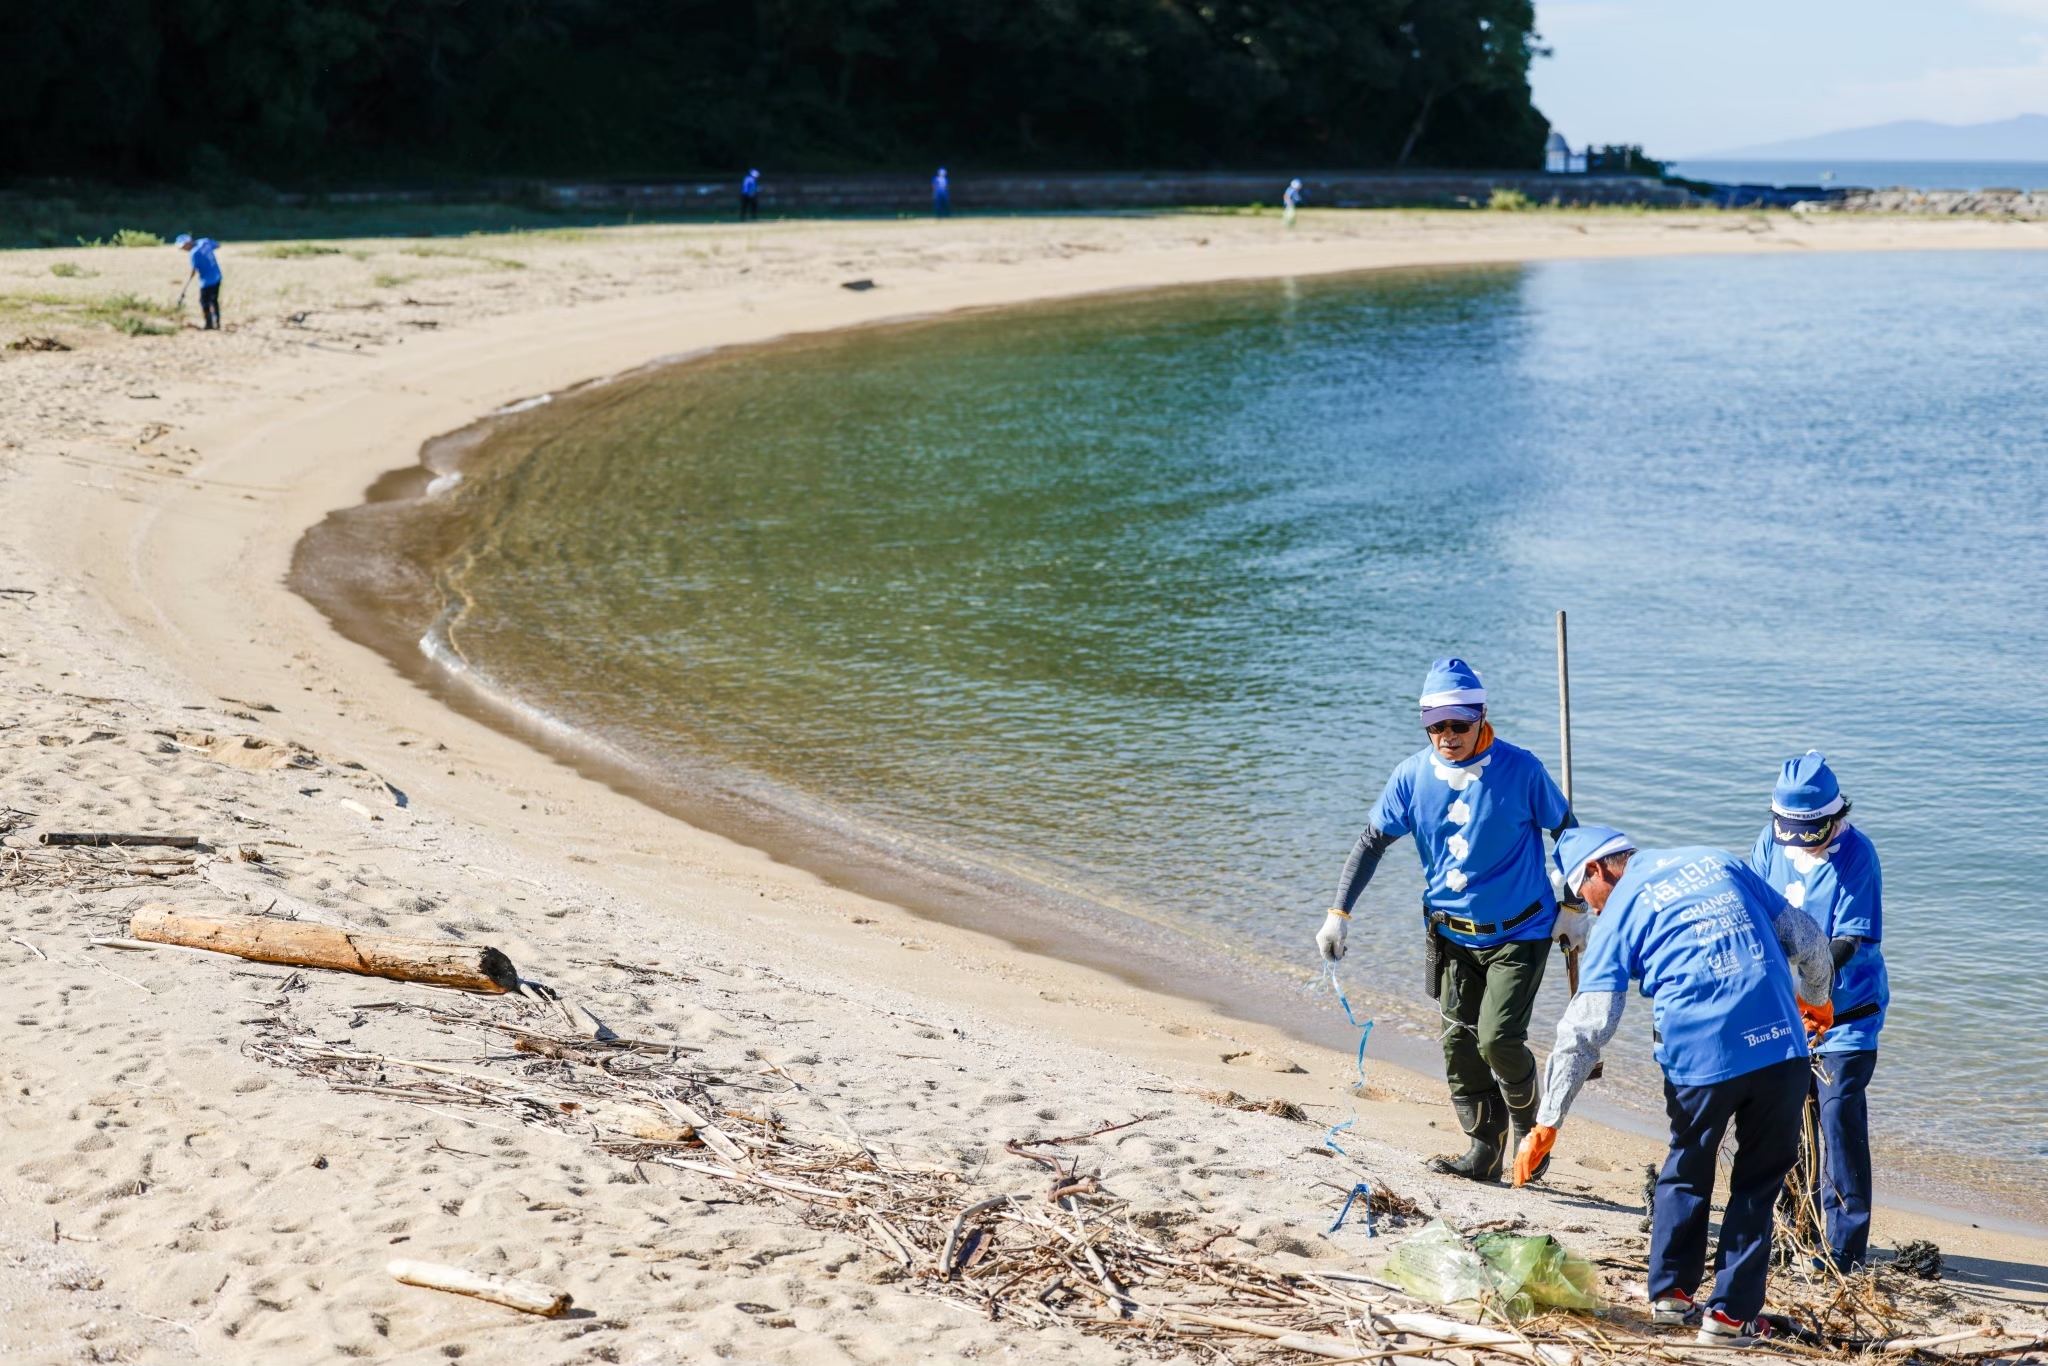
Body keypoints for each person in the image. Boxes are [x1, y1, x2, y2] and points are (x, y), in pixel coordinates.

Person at [1515, 827, 1835, 1348]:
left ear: (1597, 870)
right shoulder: (1718, 860)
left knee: (1688, 1161)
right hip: (1779, 1046)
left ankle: (1671, 1294)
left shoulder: (1616, 915)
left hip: (1699, 1058)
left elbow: (1586, 1028)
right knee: (1758, 1183)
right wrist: (1818, 998)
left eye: (1582, 895)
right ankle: (1729, 1317)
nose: (1587, 907)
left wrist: (1548, 1121)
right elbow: (1808, 938)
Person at [1318, 658, 1573, 1182]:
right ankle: (1484, 1151)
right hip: (1451, 934)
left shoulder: (1522, 769)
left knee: (1497, 1039)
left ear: (1482, 716)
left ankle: (1531, 1130)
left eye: (1459, 723)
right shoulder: (1411, 776)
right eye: (1436, 725)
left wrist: (1574, 905)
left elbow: (1569, 833)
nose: (1448, 736)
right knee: (1459, 1044)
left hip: (1521, 932)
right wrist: (1338, 914)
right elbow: (1371, 844)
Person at [1748, 751, 1886, 1271]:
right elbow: (1753, 912)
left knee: (1837, 1116)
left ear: (1834, 816)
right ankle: (1795, 1227)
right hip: (1786, 1014)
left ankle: (1845, 1247)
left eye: (1812, 833)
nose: (1802, 843)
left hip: (1848, 1013)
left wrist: (1814, 990)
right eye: (1793, 832)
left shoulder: (1857, 855)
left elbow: (1849, 938)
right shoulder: (1769, 842)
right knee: (1786, 1117)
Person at [175, 233, 222, 330]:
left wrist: (186, 284)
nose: (184, 249)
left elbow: (193, 270)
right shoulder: (205, 242)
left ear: (188, 243)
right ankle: (217, 322)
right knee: (214, 300)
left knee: (204, 301)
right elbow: (217, 245)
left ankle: (209, 324)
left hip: (207, 280)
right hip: (217, 275)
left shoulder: (194, 253)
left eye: (184, 247)